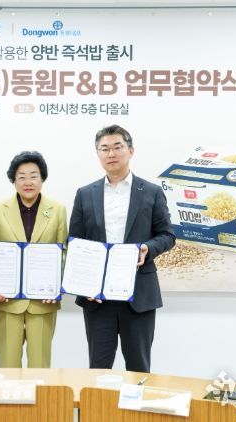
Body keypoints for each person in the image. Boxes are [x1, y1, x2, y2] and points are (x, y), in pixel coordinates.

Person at [69, 125, 175, 373]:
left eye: (117, 147)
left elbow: (168, 235)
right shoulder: (85, 194)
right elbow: (75, 242)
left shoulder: (151, 192)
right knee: (98, 368)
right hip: (97, 297)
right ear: (98, 154)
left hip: (138, 295)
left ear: (131, 151)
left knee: (138, 369)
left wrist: (147, 248)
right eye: (104, 149)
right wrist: (84, 286)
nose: (111, 154)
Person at [0, 151, 68, 368]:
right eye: (21, 177)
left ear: (42, 179)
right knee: (8, 366)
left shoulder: (58, 210)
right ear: (13, 181)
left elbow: (63, 252)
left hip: (43, 301)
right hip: (6, 301)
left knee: (40, 367)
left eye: (34, 176)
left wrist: (55, 288)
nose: (28, 182)